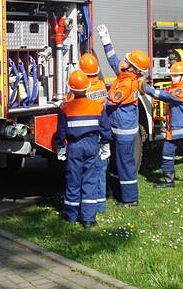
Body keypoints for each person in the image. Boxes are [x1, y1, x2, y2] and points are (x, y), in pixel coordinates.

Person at [97, 24, 149, 207]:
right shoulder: (126, 76)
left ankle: (130, 199)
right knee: (120, 163)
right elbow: (113, 60)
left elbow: (111, 102)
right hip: (122, 128)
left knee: (125, 165)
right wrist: (106, 40)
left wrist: (93, 101)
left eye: (127, 59)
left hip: (124, 132)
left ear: (133, 68)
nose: (123, 60)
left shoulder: (127, 84)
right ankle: (121, 194)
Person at [54, 70, 111, 228]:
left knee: (73, 181)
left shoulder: (66, 108)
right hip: (92, 145)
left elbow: (61, 132)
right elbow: (105, 129)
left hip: (74, 146)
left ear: (71, 89)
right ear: (87, 88)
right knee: (90, 181)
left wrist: (60, 148)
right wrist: (105, 145)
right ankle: (88, 219)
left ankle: (71, 216)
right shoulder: (97, 107)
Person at [78, 53, 110, 214]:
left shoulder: (83, 88)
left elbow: (71, 103)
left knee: (86, 171)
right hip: (99, 132)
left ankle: (85, 205)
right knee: (100, 170)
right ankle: (100, 205)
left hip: (86, 135)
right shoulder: (101, 86)